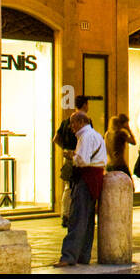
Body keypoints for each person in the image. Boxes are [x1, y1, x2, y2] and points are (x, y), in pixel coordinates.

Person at [56, 111, 105, 266]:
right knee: (88, 220)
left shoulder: (85, 136)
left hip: (86, 178)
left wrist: (72, 156)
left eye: (73, 123)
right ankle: (84, 255)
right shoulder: (94, 135)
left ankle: (68, 256)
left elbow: (83, 160)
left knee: (77, 217)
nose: (71, 127)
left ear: (81, 122)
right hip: (94, 178)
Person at [54, 95, 89, 227]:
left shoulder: (65, 121)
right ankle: (76, 214)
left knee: (68, 187)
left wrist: (65, 148)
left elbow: (56, 138)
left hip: (68, 157)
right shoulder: (85, 121)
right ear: (85, 105)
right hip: (79, 156)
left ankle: (66, 214)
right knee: (79, 186)